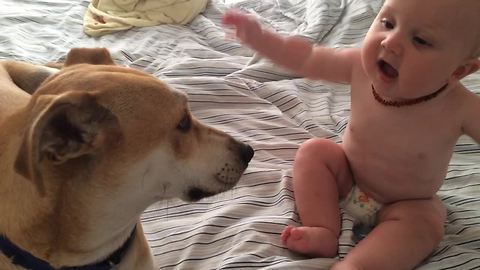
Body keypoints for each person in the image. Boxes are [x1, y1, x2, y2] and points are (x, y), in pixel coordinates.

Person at [223, 0, 480, 269]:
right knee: (315, 151)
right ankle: (323, 228)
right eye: (388, 23)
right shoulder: (358, 65)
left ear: (458, 71)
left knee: (426, 224)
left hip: (406, 204)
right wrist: (261, 39)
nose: (390, 42)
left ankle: (356, 265)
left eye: (421, 40)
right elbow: (306, 58)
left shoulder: (462, 107)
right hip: (348, 180)